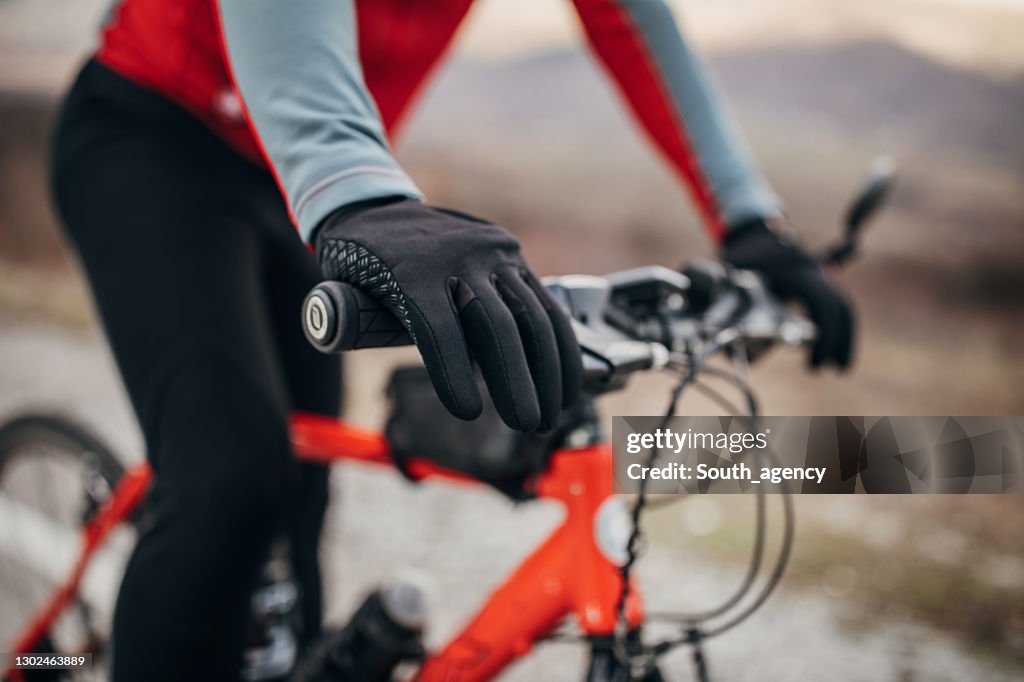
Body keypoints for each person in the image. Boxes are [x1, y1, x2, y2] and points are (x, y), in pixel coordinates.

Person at [50, 0, 853, 679]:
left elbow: (632, 18)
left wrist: (747, 216)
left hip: (295, 178)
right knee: (231, 473)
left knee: (301, 488)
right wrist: (357, 190)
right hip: (153, 136)